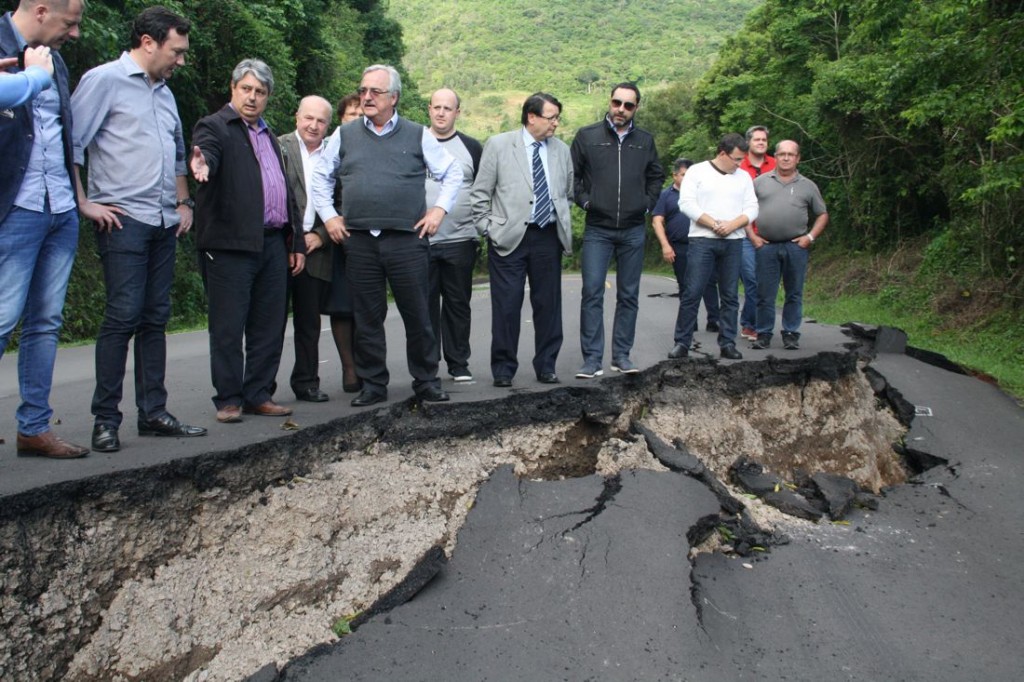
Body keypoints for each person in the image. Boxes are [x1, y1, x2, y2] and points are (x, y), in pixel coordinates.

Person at [71, 7, 205, 453]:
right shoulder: (103, 81)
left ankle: (154, 413)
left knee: (155, 318)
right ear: (149, 42)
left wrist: (183, 203)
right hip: (123, 219)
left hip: (164, 221)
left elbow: (178, 153)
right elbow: (72, 144)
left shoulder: (165, 93)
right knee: (122, 315)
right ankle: (105, 420)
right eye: (176, 51)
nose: (180, 60)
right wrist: (83, 201)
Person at [311, 64, 461, 407]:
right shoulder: (344, 135)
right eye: (363, 90)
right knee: (366, 317)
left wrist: (438, 210)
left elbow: (452, 172)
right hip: (360, 241)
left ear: (393, 97)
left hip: (407, 240)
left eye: (375, 92)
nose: (366, 97)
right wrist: (330, 217)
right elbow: (321, 177)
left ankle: (426, 381)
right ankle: (373, 384)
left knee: (418, 314)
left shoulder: (417, 134)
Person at [190, 59, 305, 424]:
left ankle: (258, 394)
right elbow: (206, 153)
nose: (252, 97)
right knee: (228, 325)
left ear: (268, 97)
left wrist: (296, 243)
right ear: (233, 88)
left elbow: (286, 192)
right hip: (230, 244)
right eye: (246, 89)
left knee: (269, 324)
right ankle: (228, 399)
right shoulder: (215, 126)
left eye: (260, 92)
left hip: (273, 242)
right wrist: (203, 165)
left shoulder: (270, 136)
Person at [0, 0, 88, 459]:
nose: (74, 34)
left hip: (60, 208)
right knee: (2, 318)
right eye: (69, 24)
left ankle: (34, 428)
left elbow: (62, 134)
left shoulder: (55, 60)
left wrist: (79, 199)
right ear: (39, 11)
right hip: (14, 208)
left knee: (46, 322)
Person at [470, 92, 573, 387]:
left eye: (557, 118)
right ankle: (503, 369)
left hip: (547, 236)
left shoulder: (561, 150)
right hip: (508, 237)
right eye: (551, 117)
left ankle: (547, 366)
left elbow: (566, 192)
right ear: (531, 117)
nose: (556, 123)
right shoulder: (499, 145)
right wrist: (488, 229)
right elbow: (480, 193)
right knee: (506, 305)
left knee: (548, 305)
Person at [571, 83, 663, 378]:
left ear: (636, 108)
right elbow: (573, 177)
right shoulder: (587, 136)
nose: (621, 109)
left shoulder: (645, 140)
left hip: (633, 229)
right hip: (598, 228)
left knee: (629, 295)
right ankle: (592, 359)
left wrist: (646, 205)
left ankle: (622, 355)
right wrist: (587, 202)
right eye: (616, 102)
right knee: (592, 292)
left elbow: (656, 177)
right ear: (610, 102)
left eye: (628, 105)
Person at [281, 95, 360, 402]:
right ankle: (260, 389)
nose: (313, 126)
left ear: (329, 125)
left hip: (316, 247)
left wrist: (320, 236)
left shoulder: (336, 153)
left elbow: (344, 202)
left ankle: (306, 382)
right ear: (297, 117)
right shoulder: (278, 147)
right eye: (308, 118)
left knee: (309, 321)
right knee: (270, 322)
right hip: (280, 244)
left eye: (321, 121)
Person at [669, 133, 758, 360]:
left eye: (742, 160)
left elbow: (752, 208)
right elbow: (686, 203)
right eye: (736, 159)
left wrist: (732, 225)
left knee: (730, 295)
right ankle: (682, 342)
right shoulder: (697, 172)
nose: (739, 164)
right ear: (722, 154)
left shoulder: (744, 177)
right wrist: (714, 224)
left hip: (733, 241)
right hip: (702, 240)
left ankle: (727, 343)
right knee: (692, 291)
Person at [425, 88, 483, 383]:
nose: (441, 113)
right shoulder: (415, 142)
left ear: (457, 112)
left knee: (457, 303)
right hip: (419, 240)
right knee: (424, 305)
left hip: (460, 239)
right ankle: (427, 364)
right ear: (429, 109)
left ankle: (458, 363)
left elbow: (484, 189)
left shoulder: (471, 147)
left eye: (447, 108)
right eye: (437, 107)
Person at [749, 140, 828, 350]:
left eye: (790, 154)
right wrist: (753, 237)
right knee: (765, 293)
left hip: (796, 246)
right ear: (775, 156)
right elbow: (745, 211)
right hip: (766, 246)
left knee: (794, 292)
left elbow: (822, 214)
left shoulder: (808, 185)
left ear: (797, 158)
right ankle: (763, 333)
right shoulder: (760, 182)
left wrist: (810, 237)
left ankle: (791, 333)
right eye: (782, 154)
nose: (785, 158)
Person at [651, 158, 721, 331]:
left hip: (704, 242)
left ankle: (714, 320)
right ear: (674, 175)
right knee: (685, 284)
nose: (687, 178)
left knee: (710, 281)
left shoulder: (702, 193)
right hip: (679, 246)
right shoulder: (666, 195)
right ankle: (690, 321)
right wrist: (665, 245)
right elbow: (657, 221)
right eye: (683, 175)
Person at [737, 125, 776, 341]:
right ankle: (752, 325)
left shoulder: (776, 164)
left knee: (765, 282)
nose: (761, 143)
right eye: (757, 139)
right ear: (748, 143)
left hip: (771, 233)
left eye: (764, 140)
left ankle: (752, 322)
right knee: (751, 279)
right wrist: (750, 234)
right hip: (745, 233)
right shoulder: (739, 166)